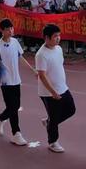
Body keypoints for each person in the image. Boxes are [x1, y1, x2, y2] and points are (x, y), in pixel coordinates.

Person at [0, 18, 36, 145]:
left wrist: (32, 69)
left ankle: (2, 117)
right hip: (5, 82)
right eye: (7, 30)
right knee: (12, 107)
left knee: (15, 106)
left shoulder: (16, 42)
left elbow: (20, 58)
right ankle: (16, 133)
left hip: (16, 80)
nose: (10, 31)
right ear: (2, 31)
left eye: (11, 28)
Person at [35, 24, 76, 153]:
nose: (58, 38)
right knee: (54, 116)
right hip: (49, 92)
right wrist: (52, 92)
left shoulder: (58, 49)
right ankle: (52, 142)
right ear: (47, 38)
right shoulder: (41, 54)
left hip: (62, 87)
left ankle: (49, 122)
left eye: (59, 35)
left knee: (71, 109)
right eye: (55, 36)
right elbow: (41, 75)